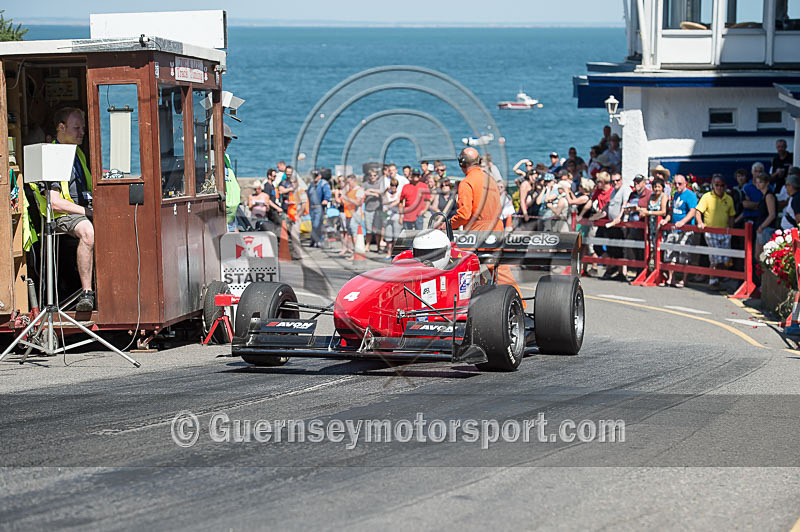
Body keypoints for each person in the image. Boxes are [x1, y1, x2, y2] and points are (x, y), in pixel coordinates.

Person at [36, 107, 95, 311]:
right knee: (88, 232)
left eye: (83, 128)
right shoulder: (51, 154)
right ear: (61, 127)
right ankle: (87, 294)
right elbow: (55, 202)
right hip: (61, 215)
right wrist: (87, 212)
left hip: (82, 209)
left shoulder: (78, 153)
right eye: (76, 128)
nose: (82, 133)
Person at [449, 147, 522, 299]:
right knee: (500, 270)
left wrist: (448, 224)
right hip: (496, 228)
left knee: (456, 263)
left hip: (478, 232)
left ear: (462, 164)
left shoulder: (467, 183)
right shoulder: (490, 180)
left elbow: (464, 214)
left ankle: (460, 302)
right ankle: (518, 302)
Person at [695, 174, 736, 287]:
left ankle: (719, 278)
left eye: (722, 185)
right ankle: (712, 279)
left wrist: (731, 229)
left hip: (724, 232)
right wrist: (700, 222)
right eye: (717, 185)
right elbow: (698, 211)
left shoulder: (729, 199)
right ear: (713, 185)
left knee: (724, 257)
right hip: (711, 232)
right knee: (714, 257)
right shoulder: (707, 197)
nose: (719, 188)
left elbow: (731, 215)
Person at [660, 174, 697, 288]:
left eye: (679, 184)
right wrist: (666, 219)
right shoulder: (675, 194)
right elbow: (672, 211)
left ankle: (684, 279)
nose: (677, 186)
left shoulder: (690, 195)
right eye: (675, 184)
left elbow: (692, 211)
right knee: (670, 252)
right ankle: (672, 278)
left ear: (685, 183)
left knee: (684, 254)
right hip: (674, 229)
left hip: (686, 230)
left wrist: (683, 222)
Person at [598, 172, 631, 279]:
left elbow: (624, 204)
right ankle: (614, 270)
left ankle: (622, 272)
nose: (615, 183)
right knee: (612, 248)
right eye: (613, 181)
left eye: (617, 180)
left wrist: (619, 218)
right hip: (612, 224)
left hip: (620, 224)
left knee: (621, 249)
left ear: (621, 180)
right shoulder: (613, 192)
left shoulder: (624, 190)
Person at [640, 177, 669, 269]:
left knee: (660, 248)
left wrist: (649, 213)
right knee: (651, 247)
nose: (656, 189)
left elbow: (663, 211)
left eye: (658, 187)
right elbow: (647, 209)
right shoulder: (651, 197)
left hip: (660, 226)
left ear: (662, 188)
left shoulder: (664, 197)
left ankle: (660, 270)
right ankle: (652, 268)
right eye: (655, 187)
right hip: (651, 225)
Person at [221, 124, 242, 233]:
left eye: (229, 141)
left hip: (231, 212)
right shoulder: (212, 160)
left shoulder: (225, 159)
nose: (228, 143)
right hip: (223, 212)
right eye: (227, 140)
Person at [339, 174, 365, 257]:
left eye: (349, 182)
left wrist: (347, 198)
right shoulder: (349, 190)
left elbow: (358, 202)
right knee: (350, 234)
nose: (348, 184)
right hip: (348, 214)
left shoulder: (359, 190)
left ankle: (357, 254)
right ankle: (354, 253)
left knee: (355, 235)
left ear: (354, 181)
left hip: (355, 215)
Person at [754, 171, 778, 257]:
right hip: (762, 228)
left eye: (760, 182)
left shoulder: (769, 196)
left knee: (764, 257)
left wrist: (762, 226)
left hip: (766, 229)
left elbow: (772, 214)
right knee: (759, 256)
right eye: (757, 182)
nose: (758, 184)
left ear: (767, 183)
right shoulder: (763, 196)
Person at [307, 170, 331, 248]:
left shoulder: (323, 184)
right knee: (313, 224)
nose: (314, 178)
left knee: (317, 224)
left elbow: (328, 193)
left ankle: (319, 240)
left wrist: (326, 200)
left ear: (319, 176)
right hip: (312, 207)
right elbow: (308, 194)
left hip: (319, 207)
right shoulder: (311, 184)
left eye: (316, 176)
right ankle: (313, 240)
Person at [362, 169, 384, 251]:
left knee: (378, 229)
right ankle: (367, 245)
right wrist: (373, 194)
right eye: (371, 175)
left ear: (377, 176)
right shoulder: (365, 184)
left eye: (374, 175)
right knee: (368, 229)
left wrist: (371, 190)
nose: (372, 177)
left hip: (378, 210)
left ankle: (378, 246)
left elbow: (382, 192)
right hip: (368, 209)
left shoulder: (380, 184)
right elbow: (362, 192)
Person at [382, 179, 401, 258]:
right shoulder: (387, 194)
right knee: (388, 236)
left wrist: (389, 205)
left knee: (396, 236)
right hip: (387, 216)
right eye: (392, 185)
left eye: (395, 186)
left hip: (396, 215)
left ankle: (395, 254)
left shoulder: (399, 194)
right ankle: (389, 253)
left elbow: (397, 201)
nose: (393, 187)